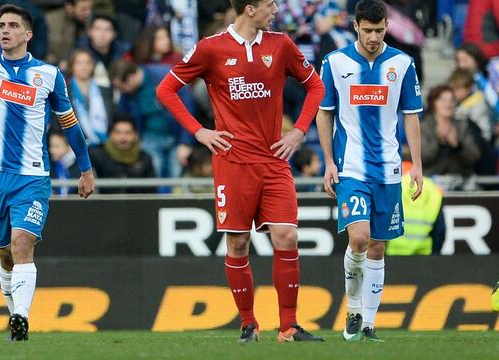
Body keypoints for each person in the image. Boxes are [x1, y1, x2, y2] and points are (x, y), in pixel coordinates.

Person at [157, 0, 325, 343]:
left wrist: (298, 131)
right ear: (249, 9)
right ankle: (248, 324)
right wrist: (199, 131)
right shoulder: (210, 48)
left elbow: (317, 86)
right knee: (237, 243)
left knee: (287, 236)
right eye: (269, 4)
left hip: (274, 160)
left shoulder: (281, 44)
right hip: (232, 162)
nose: (276, 9)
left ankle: (289, 327)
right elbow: (167, 89)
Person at [0, 0, 95, 341]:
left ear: (27, 34)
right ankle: (15, 317)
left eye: (12, 26)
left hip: (32, 176)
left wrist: (85, 168)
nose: (5, 31)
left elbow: (69, 125)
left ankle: (22, 317)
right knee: (5, 252)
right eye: (2, 26)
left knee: (22, 242)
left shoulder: (49, 75)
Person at [316, 0, 423, 342]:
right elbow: (324, 113)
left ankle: (369, 324)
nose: (374, 37)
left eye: (380, 30)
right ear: (356, 26)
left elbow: (411, 115)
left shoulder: (403, 63)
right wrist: (329, 162)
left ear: (386, 26)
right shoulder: (335, 62)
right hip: (351, 166)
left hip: (389, 168)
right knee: (359, 238)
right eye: (368, 30)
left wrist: (417, 165)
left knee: (377, 247)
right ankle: (353, 309)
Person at [421, 85, 481, 178]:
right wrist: (439, 142)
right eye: (443, 100)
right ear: (433, 103)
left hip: (461, 178)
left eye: (452, 100)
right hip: (431, 178)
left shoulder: (462, 125)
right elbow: (423, 157)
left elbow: (474, 156)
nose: (448, 104)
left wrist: (457, 147)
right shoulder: (424, 126)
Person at [88, 114, 156, 194]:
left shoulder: (145, 159)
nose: (123, 138)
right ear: (111, 134)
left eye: (127, 133)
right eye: (118, 132)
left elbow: (151, 192)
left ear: (135, 135)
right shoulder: (96, 155)